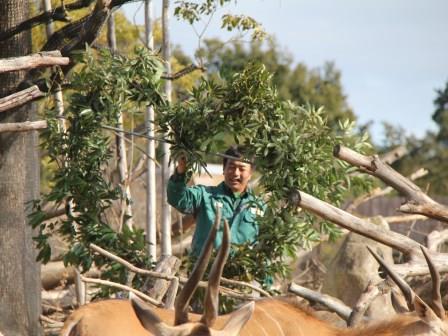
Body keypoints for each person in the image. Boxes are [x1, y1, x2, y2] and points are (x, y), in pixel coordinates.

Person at [167, 145, 264, 256]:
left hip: (242, 272)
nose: (236, 173)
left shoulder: (261, 207)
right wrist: (181, 171)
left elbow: (264, 251)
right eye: (231, 167)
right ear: (224, 169)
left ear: (251, 173)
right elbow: (178, 199)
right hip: (204, 271)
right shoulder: (205, 196)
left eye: (242, 169)